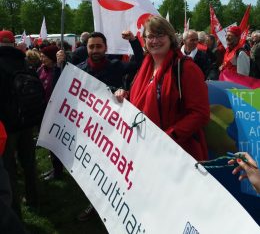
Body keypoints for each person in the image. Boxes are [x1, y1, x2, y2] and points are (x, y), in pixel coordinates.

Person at [56, 30, 144, 221]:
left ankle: (114, 204)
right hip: (89, 130)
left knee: (112, 170)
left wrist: (134, 41)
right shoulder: (78, 70)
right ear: (86, 48)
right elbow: (62, 89)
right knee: (93, 170)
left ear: (105, 48)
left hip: (113, 130)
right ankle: (94, 205)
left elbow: (140, 62)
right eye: (91, 46)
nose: (95, 50)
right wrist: (59, 65)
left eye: (99, 46)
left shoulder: (116, 66)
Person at [116, 16, 210, 161]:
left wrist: (168, 137)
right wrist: (125, 95)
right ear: (145, 40)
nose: (154, 41)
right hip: (144, 149)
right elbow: (142, 98)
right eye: (150, 36)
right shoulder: (144, 67)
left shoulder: (186, 68)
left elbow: (200, 113)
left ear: (170, 37)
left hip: (177, 153)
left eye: (160, 35)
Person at [0, 30, 38, 217]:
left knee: (9, 168)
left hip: (7, 125)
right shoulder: (23, 60)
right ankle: (33, 197)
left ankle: (15, 210)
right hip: (27, 120)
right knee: (29, 162)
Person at [38, 45, 64, 181]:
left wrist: (60, 66)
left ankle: (58, 170)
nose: (41, 58)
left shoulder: (59, 70)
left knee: (55, 142)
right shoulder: (41, 70)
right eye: (41, 55)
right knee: (49, 142)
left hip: (56, 112)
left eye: (45, 56)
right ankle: (55, 168)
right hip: (44, 111)